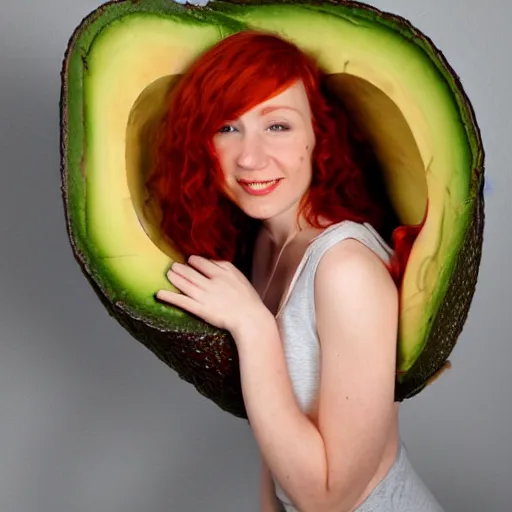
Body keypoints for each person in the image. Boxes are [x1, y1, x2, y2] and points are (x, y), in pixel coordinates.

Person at [148, 30, 443, 511]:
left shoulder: (345, 269)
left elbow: (330, 498)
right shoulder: (265, 245)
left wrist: (251, 325)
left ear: (317, 135)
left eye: (278, 126)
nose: (249, 156)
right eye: (227, 127)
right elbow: (277, 436)